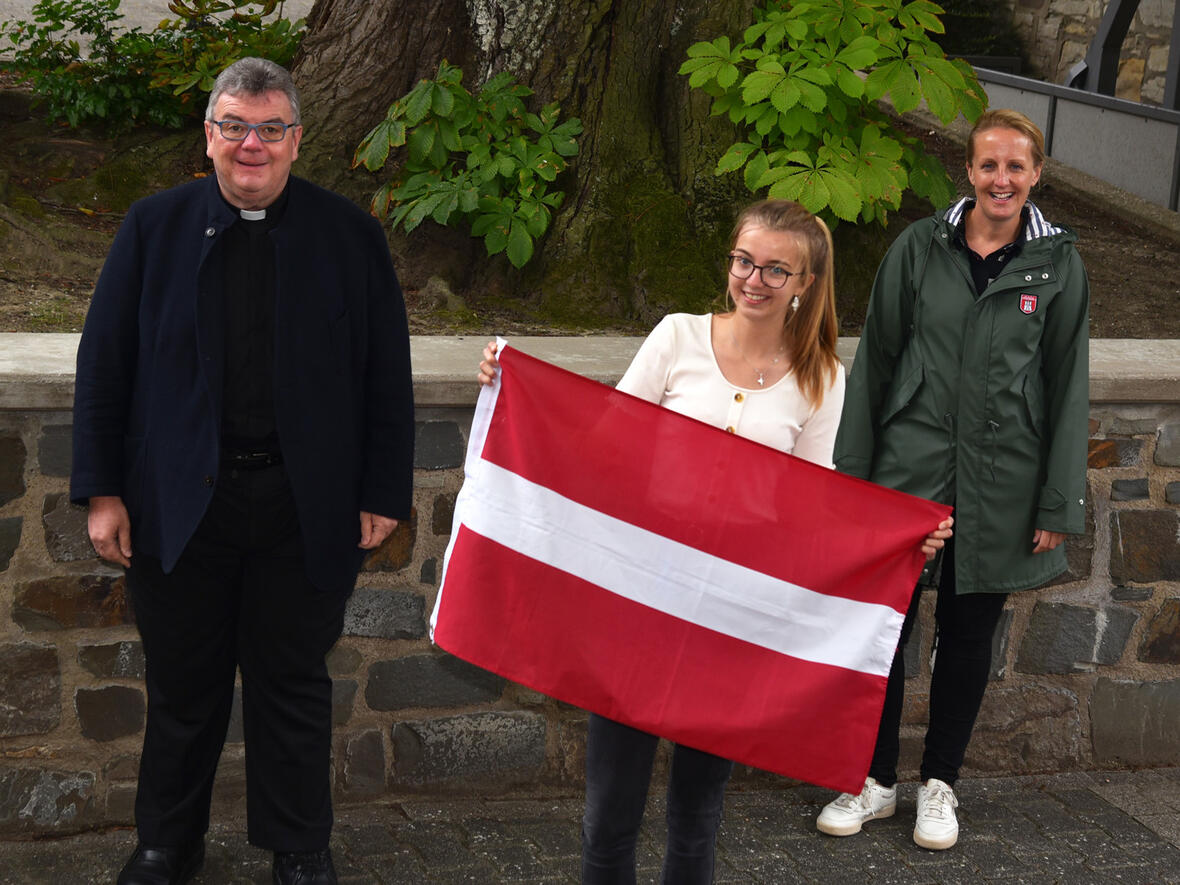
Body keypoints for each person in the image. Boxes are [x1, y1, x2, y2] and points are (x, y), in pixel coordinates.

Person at [478, 199, 952, 884]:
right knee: (610, 814)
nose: (753, 280)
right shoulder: (678, 337)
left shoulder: (821, 379)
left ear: (804, 283)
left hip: (728, 621)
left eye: (773, 269)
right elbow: (607, 439)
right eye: (742, 261)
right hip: (641, 604)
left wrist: (906, 539)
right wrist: (514, 384)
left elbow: (813, 511)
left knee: (696, 820)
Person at [70, 58, 414, 885]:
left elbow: (384, 374)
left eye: (268, 129)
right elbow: (105, 363)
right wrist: (104, 489)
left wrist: (381, 490)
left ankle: (299, 848)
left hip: (305, 505)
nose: (249, 144)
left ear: (296, 139)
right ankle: (166, 844)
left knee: (292, 685)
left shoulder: (349, 235)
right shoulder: (153, 226)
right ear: (210, 136)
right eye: (233, 126)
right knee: (183, 689)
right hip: (179, 503)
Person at [817, 108, 1089, 851]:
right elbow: (875, 362)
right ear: (968, 173)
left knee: (969, 634)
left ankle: (940, 784)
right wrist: (854, 478)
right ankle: (872, 781)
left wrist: (1057, 498)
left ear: (1036, 175)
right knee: (884, 627)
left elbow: (1068, 385)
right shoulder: (919, 246)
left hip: (1003, 479)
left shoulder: (1059, 264)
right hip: (910, 467)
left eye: (1016, 166)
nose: (1001, 178)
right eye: (988, 165)